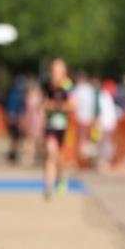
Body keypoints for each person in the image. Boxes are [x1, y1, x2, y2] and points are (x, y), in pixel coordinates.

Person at [43, 58, 73, 198]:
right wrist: (48, 106)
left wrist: (57, 106)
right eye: (53, 71)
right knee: (50, 152)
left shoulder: (67, 86)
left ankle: (61, 178)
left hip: (64, 126)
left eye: (58, 71)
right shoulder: (47, 86)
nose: (55, 74)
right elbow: (43, 105)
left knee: (59, 157)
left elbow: (72, 106)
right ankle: (48, 186)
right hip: (50, 126)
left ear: (63, 72)